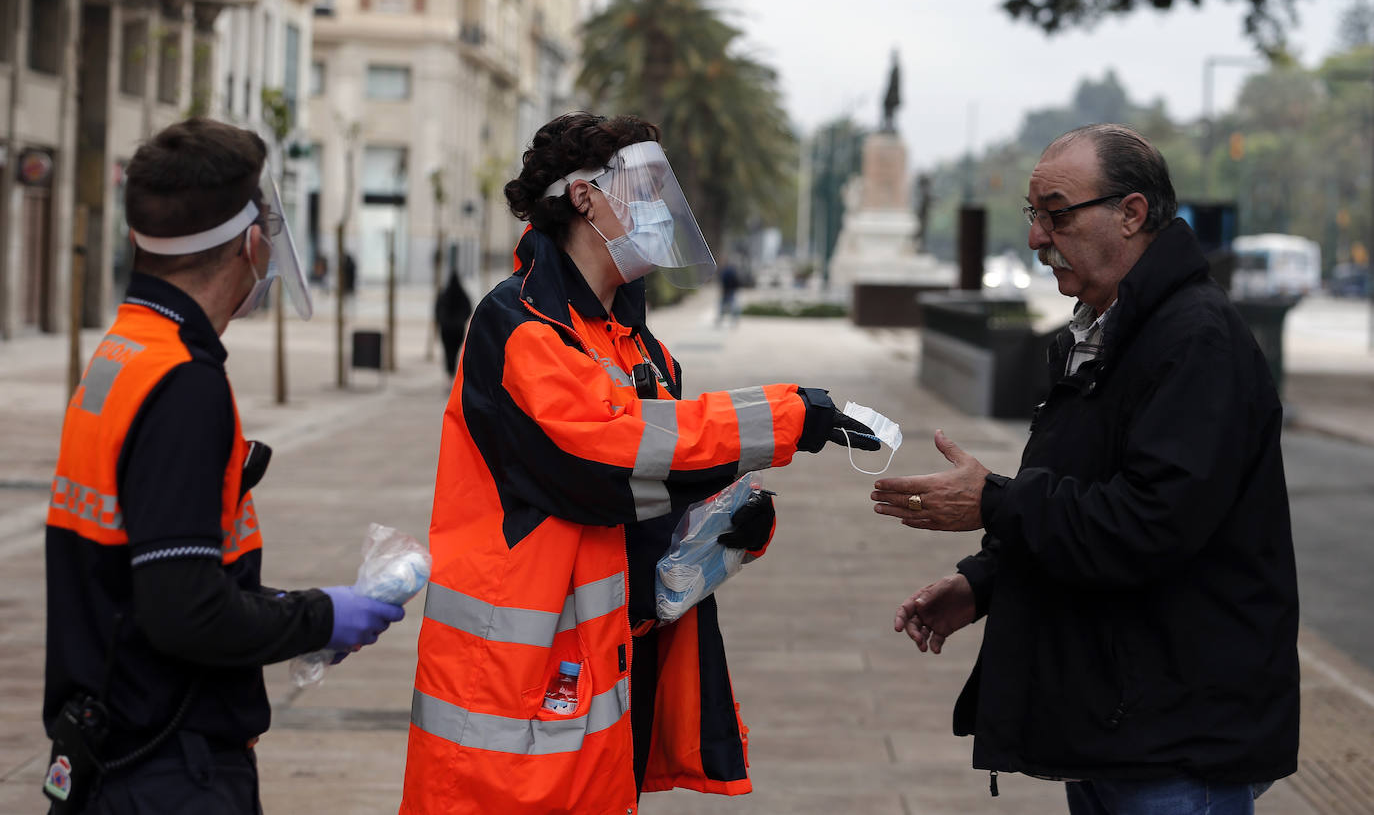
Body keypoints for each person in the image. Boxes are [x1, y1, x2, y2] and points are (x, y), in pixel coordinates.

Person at [400, 112, 876, 814]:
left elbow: (660, 488)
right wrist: (784, 417)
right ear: (586, 197)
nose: (659, 210)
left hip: (608, 672)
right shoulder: (522, 326)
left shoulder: (637, 346)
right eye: (646, 189)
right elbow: (606, 455)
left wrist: (725, 531)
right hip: (512, 691)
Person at [869, 124, 1299, 813]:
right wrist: (985, 581)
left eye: (1057, 212)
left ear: (1131, 213)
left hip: (1177, 736)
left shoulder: (1194, 339)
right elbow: (1081, 492)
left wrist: (993, 504)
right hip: (1119, 723)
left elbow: (1147, 523)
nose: (1038, 236)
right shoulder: (1105, 328)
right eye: (1033, 215)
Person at [43, 119, 406, 814]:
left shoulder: (123, 350)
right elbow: (184, 610)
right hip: (169, 765)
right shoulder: (184, 382)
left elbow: (147, 571)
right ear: (252, 243)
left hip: (107, 748)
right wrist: (320, 616)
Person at [434, 268, 472, 377]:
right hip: (458, 330)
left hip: (445, 329)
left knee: (447, 352)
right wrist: (461, 321)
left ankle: (449, 373)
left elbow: (437, 310)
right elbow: (468, 309)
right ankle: (452, 372)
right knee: (455, 352)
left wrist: (442, 321)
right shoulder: (463, 294)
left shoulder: (443, 294)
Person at [717, 259, 741, 325]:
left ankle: (720, 319)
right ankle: (734, 320)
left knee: (722, 305)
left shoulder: (725, 271)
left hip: (726, 290)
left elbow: (722, 280)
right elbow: (737, 281)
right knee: (733, 306)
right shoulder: (733, 271)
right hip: (731, 290)